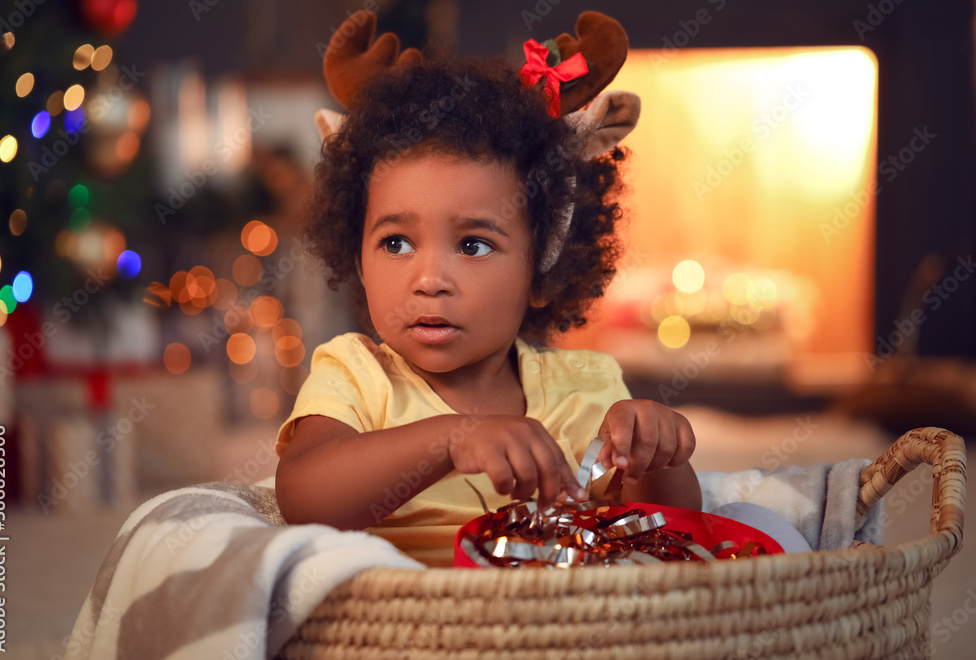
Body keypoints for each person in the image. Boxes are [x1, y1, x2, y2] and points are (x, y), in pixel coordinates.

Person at [274, 17, 701, 567]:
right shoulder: (357, 376)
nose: (428, 280)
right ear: (357, 254)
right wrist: (450, 439)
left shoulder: (585, 391)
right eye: (397, 242)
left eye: (473, 246)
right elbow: (304, 496)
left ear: (543, 269)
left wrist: (656, 455)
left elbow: (667, 535)